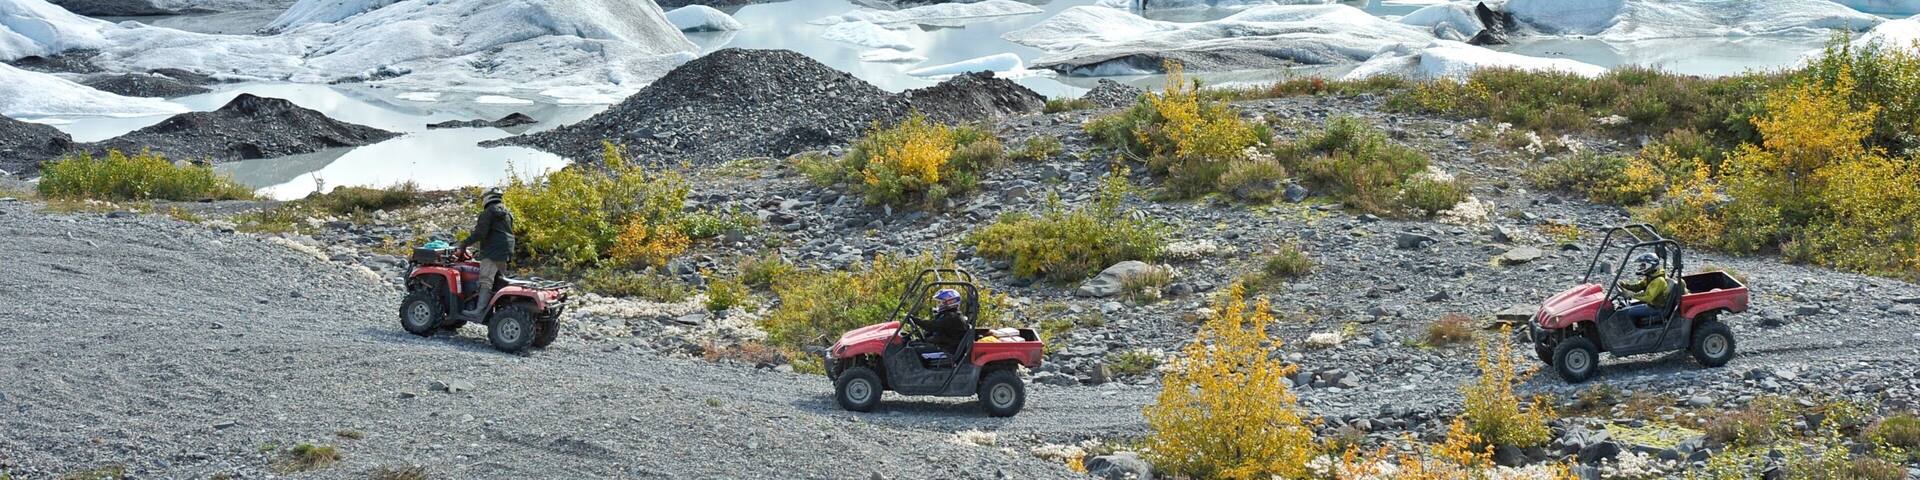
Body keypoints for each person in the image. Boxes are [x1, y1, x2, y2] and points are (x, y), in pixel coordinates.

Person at [458, 188, 515, 316]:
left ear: (487, 197)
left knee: (486, 279)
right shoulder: (507, 212)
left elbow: (480, 233)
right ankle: (500, 309)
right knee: (499, 279)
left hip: (493, 251)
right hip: (506, 250)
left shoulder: (488, 212)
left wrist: (464, 243)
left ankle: (479, 310)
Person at [1616, 252, 1670, 326]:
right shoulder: (1651, 276)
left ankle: (1631, 332)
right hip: (1651, 304)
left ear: (1650, 265)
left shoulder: (1659, 280)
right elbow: (1639, 286)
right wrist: (1625, 285)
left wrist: (1631, 295)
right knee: (1624, 307)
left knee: (1628, 312)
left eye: (1643, 265)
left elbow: (1648, 298)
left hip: (1656, 308)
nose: (1641, 267)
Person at [926, 289, 971, 353]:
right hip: (945, 347)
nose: (939, 305)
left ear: (950, 302)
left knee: (913, 351)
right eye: (938, 302)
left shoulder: (952, 317)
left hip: (948, 351)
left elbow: (934, 330)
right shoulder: (947, 315)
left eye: (941, 302)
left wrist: (916, 321)